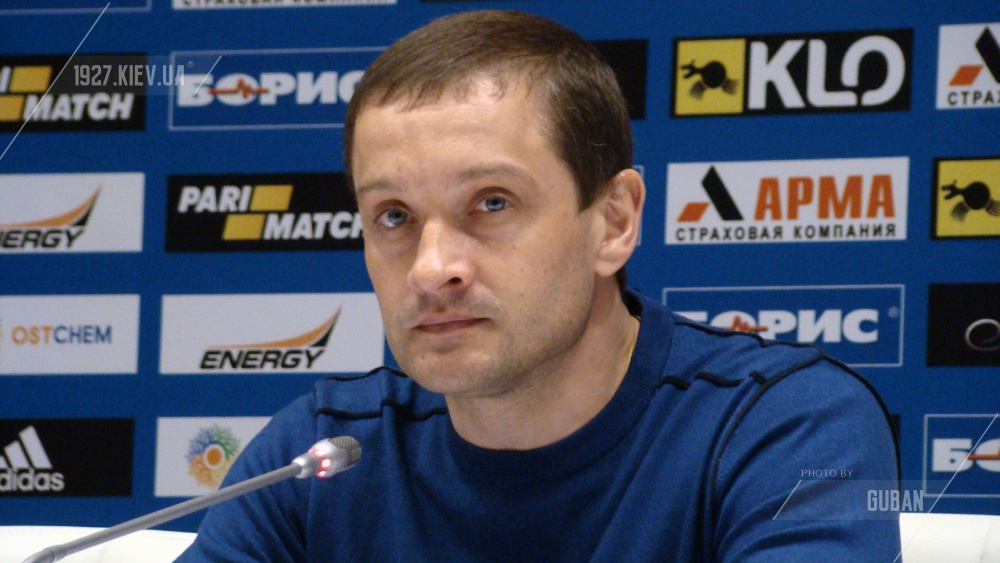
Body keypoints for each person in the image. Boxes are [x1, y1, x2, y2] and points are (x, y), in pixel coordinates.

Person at [178, 10, 900, 562]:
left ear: (613, 221)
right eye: (394, 215)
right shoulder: (322, 455)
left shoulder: (785, 427)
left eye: (491, 203)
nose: (431, 267)